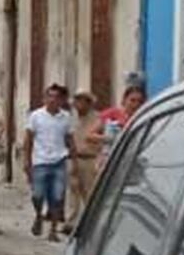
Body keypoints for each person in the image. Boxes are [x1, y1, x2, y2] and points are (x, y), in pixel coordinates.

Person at [23, 84, 76, 242]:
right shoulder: (36, 116)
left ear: (61, 100)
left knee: (57, 197)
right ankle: (39, 215)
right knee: (37, 195)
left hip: (59, 161)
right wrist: (27, 160)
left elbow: (70, 139)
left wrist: (75, 161)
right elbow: (28, 139)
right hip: (40, 161)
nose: (53, 100)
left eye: (56, 97)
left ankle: (52, 230)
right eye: (49, 96)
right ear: (45, 98)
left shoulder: (66, 117)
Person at [64, 90, 100, 235]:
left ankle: (91, 221)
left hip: (89, 159)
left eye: (82, 100)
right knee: (73, 191)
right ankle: (71, 222)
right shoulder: (71, 119)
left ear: (88, 103)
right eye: (76, 100)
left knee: (89, 192)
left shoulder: (97, 118)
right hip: (73, 157)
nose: (78, 104)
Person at [88, 85, 147, 170]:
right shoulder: (112, 114)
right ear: (124, 100)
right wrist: (110, 138)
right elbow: (90, 136)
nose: (136, 104)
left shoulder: (144, 119)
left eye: (140, 102)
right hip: (110, 161)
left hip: (132, 163)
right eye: (132, 100)